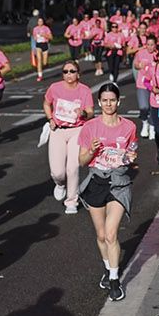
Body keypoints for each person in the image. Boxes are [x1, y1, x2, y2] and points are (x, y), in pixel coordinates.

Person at [79, 83, 137, 302]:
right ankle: (107, 267)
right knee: (102, 235)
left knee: (112, 233)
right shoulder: (90, 127)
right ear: (99, 102)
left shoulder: (129, 127)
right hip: (96, 180)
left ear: (118, 102)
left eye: (112, 100)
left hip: (119, 182)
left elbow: (131, 152)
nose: (108, 104)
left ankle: (114, 279)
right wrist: (92, 150)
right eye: (104, 100)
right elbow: (82, 160)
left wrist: (131, 159)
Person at [44, 60, 95, 213]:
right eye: (65, 71)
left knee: (72, 168)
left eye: (72, 71)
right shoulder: (55, 88)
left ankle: (72, 201)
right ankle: (60, 184)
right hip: (58, 130)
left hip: (77, 130)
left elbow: (90, 111)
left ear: (78, 74)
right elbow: (47, 104)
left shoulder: (84, 90)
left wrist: (84, 113)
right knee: (58, 172)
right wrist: (50, 119)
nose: (68, 74)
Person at [131, 34, 159, 137]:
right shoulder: (140, 53)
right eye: (148, 44)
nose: (150, 47)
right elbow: (135, 64)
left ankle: (152, 127)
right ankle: (145, 123)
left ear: (155, 45)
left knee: (153, 107)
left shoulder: (158, 55)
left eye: (152, 45)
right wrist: (138, 65)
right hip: (142, 84)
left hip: (154, 85)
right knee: (144, 107)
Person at [31, 15, 53, 82]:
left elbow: (51, 37)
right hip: (38, 45)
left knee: (45, 63)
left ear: (43, 22)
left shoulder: (46, 28)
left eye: (41, 21)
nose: (40, 22)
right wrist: (36, 38)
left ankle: (45, 64)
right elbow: (34, 37)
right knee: (39, 60)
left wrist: (45, 35)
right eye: (39, 21)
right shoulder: (35, 29)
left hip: (45, 44)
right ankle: (40, 75)